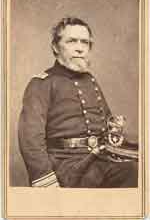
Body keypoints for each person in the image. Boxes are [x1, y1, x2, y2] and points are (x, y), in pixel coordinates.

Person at [18, 17, 138, 188]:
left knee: (136, 172)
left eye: (85, 42)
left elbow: (108, 126)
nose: (80, 48)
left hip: (99, 159)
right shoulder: (41, 84)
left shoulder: (90, 80)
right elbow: (30, 140)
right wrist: (45, 180)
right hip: (66, 168)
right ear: (55, 47)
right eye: (72, 41)